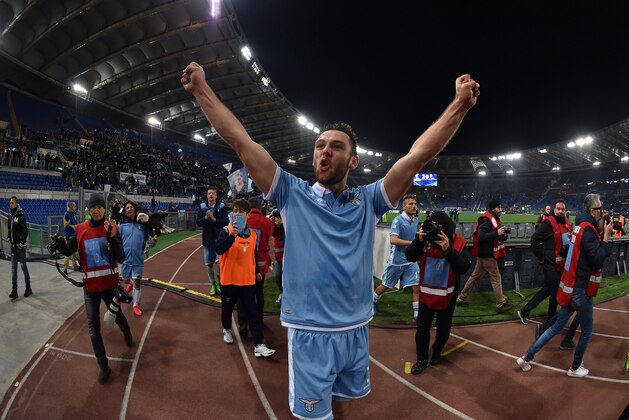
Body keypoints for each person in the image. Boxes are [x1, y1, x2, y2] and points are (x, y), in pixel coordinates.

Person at [182, 61, 480, 419]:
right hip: (309, 331)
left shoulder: (369, 200)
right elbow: (240, 140)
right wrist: (201, 89)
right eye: (320, 145)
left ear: (352, 161)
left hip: (355, 328)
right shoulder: (291, 194)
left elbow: (416, 157)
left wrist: (459, 105)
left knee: (342, 404)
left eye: (335, 147)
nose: (324, 151)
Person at [516, 193, 612, 378]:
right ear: (593, 210)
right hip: (581, 289)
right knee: (587, 331)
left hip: (572, 285)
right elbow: (598, 259)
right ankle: (575, 368)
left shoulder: (579, 226)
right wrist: (606, 237)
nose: (603, 211)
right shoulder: (588, 231)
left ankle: (526, 358)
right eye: (600, 208)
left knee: (555, 326)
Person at [55, 193, 133, 384]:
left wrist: (113, 237)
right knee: (93, 328)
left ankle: (127, 331)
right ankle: (103, 366)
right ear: (89, 210)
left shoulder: (112, 228)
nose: (96, 210)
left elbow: (122, 257)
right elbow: (69, 250)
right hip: (90, 289)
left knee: (118, 318)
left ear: (104, 209)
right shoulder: (80, 229)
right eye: (93, 207)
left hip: (110, 287)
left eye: (99, 206)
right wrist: (59, 244)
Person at [405, 211, 470, 374]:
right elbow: (409, 256)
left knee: (443, 330)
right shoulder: (424, 241)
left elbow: (463, 268)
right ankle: (421, 359)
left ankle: (436, 352)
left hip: (447, 296)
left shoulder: (458, 242)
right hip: (426, 295)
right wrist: (418, 241)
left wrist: (448, 249)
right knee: (422, 329)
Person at [215, 198, 276, 358]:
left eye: (240, 211)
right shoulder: (226, 231)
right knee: (227, 310)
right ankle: (227, 329)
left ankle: (259, 344)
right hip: (229, 280)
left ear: (248, 215)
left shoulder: (254, 235)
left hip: (248, 281)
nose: (237, 214)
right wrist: (232, 236)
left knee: (252, 313)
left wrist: (256, 270)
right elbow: (219, 249)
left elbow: (253, 255)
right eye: (235, 211)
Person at [518, 199, 571, 324]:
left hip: (561, 264)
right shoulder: (548, 223)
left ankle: (524, 311)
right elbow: (534, 240)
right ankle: (550, 320)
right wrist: (542, 257)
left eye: (563, 209)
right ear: (554, 209)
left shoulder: (567, 223)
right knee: (554, 292)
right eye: (558, 208)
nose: (561, 211)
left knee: (547, 289)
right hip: (550, 264)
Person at [456, 199, 514, 313]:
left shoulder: (492, 218)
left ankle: (461, 298)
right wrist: (497, 233)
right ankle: (500, 304)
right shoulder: (487, 219)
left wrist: (502, 235)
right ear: (493, 208)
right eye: (498, 207)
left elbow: (494, 235)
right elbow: (481, 236)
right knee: (496, 279)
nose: (500, 210)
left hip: (484, 254)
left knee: (474, 276)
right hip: (487, 255)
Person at [373, 194, 420, 322]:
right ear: (404, 206)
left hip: (411, 260)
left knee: (416, 287)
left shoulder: (415, 220)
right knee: (385, 286)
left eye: (415, 204)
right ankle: (372, 301)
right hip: (397, 261)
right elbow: (393, 240)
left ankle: (417, 315)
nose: (414, 206)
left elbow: (414, 236)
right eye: (410, 204)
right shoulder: (398, 220)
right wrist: (413, 243)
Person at [238, 196, 274, 328]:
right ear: (259, 207)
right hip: (261, 264)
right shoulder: (267, 222)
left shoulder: (242, 220)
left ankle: (243, 323)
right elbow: (269, 237)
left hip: (244, 263)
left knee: (242, 295)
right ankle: (259, 319)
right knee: (259, 293)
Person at [119, 201, 155, 316]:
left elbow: (149, 240)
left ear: (135, 209)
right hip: (125, 259)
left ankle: (135, 305)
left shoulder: (143, 225)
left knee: (137, 281)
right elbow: (116, 240)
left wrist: (153, 241)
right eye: (127, 208)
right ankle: (129, 282)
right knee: (125, 279)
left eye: (130, 207)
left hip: (138, 259)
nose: (129, 209)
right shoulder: (122, 225)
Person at [196, 187, 229, 295]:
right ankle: (213, 285)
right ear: (207, 195)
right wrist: (206, 217)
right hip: (207, 240)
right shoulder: (202, 207)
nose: (210, 195)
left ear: (216, 195)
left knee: (220, 264)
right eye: (209, 193)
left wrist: (214, 219)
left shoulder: (222, 206)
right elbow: (198, 222)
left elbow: (226, 221)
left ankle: (220, 282)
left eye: (212, 193)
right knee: (209, 264)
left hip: (219, 240)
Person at [8, 196, 32, 299]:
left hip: (20, 248)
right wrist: (9, 237)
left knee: (24, 268)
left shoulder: (20, 215)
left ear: (16, 204)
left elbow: (25, 231)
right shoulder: (10, 215)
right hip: (13, 247)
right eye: (10, 203)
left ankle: (28, 289)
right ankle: (14, 291)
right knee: (14, 270)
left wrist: (22, 242)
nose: (10, 204)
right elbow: (10, 229)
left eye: (12, 203)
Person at [270, 208, 285, 304]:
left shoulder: (286, 228)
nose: (276, 220)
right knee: (277, 275)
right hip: (278, 258)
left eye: (277, 217)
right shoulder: (274, 228)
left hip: (288, 259)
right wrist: (270, 222)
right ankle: (282, 293)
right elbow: (269, 231)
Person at [62, 201, 79, 274]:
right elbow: (66, 226)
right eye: (74, 206)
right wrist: (75, 227)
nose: (75, 208)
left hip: (73, 235)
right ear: (71, 207)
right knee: (68, 252)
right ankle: (65, 268)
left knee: (73, 252)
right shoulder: (67, 214)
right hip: (69, 236)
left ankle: (74, 266)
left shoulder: (72, 214)